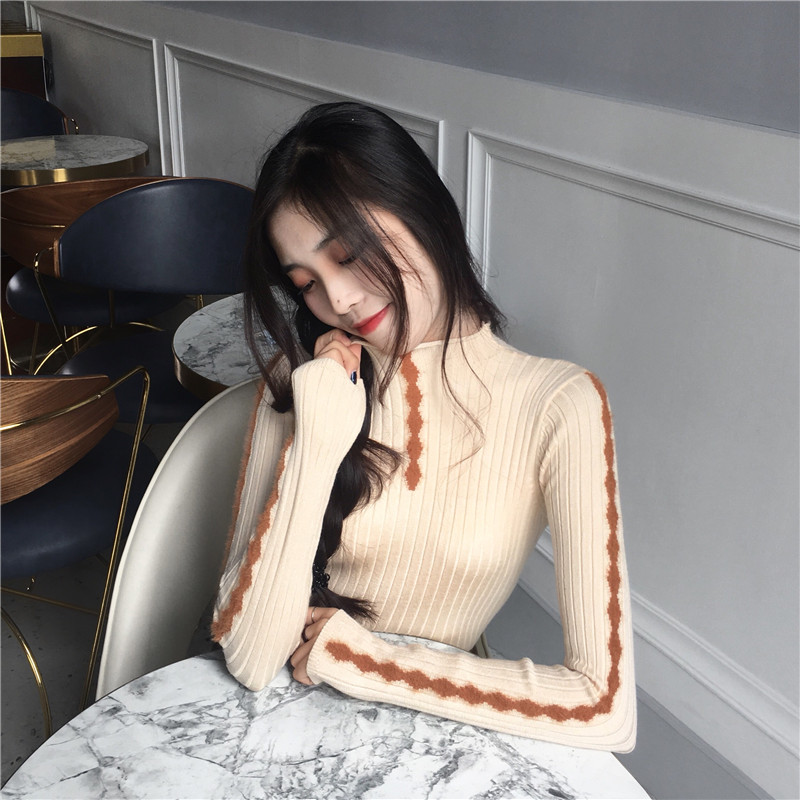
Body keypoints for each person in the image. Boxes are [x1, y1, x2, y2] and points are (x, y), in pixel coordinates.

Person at [211, 101, 636, 751]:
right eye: (307, 284)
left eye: (350, 254)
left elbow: (602, 705)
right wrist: (316, 441)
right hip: (269, 739)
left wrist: (359, 658)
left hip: (427, 750)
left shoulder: (560, 404)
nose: (338, 301)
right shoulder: (309, 381)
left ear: (425, 210)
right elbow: (249, 656)